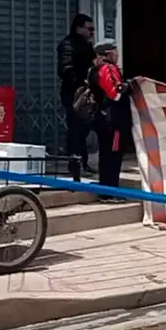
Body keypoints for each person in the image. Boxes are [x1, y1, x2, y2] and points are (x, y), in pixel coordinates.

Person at [88, 40, 130, 204]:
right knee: (112, 158)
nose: (117, 54)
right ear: (107, 54)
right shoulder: (107, 69)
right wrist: (128, 86)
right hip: (112, 122)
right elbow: (116, 94)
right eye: (115, 51)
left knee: (108, 156)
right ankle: (109, 193)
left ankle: (107, 191)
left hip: (105, 120)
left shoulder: (95, 69)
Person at [57, 14, 96, 174]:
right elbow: (65, 69)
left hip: (87, 94)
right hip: (74, 94)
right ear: (79, 28)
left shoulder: (86, 45)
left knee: (84, 129)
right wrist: (79, 83)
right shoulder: (68, 45)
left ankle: (83, 162)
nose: (92, 32)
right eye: (90, 29)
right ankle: (75, 166)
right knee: (76, 129)